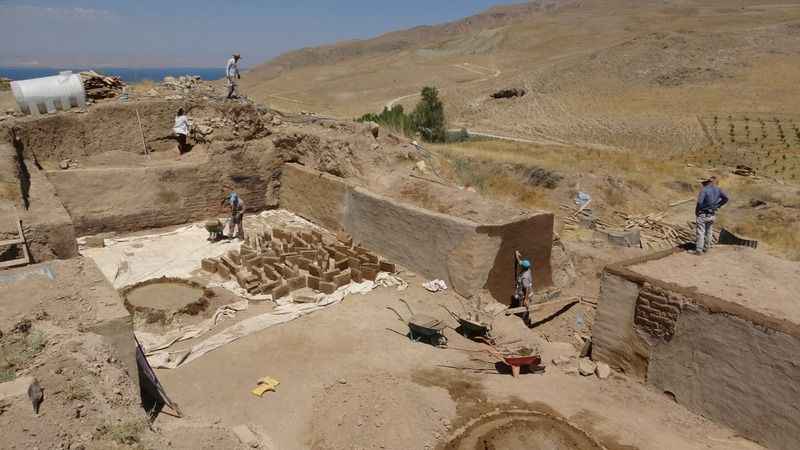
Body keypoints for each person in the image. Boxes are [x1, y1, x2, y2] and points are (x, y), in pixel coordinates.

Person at [693, 175, 729, 254]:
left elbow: (699, 202)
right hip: (712, 214)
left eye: (703, 183)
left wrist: (697, 211)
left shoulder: (704, 190)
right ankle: (706, 248)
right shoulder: (718, 190)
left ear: (707, 182)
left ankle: (699, 250)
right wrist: (718, 205)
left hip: (703, 214)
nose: (702, 184)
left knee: (700, 232)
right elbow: (726, 198)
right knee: (709, 232)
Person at [513, 251, 534, 326]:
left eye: (521, 265)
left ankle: (525, 322)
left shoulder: (525, 277)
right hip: (525, 292)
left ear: (523, 267)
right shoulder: (527, 268)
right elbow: (520, 262)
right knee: (524, 307)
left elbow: (527, 288)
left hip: (525, 294)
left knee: (524, 308)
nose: (520, 265)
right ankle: (525, 319)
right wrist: (516, 254)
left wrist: (526, 299)